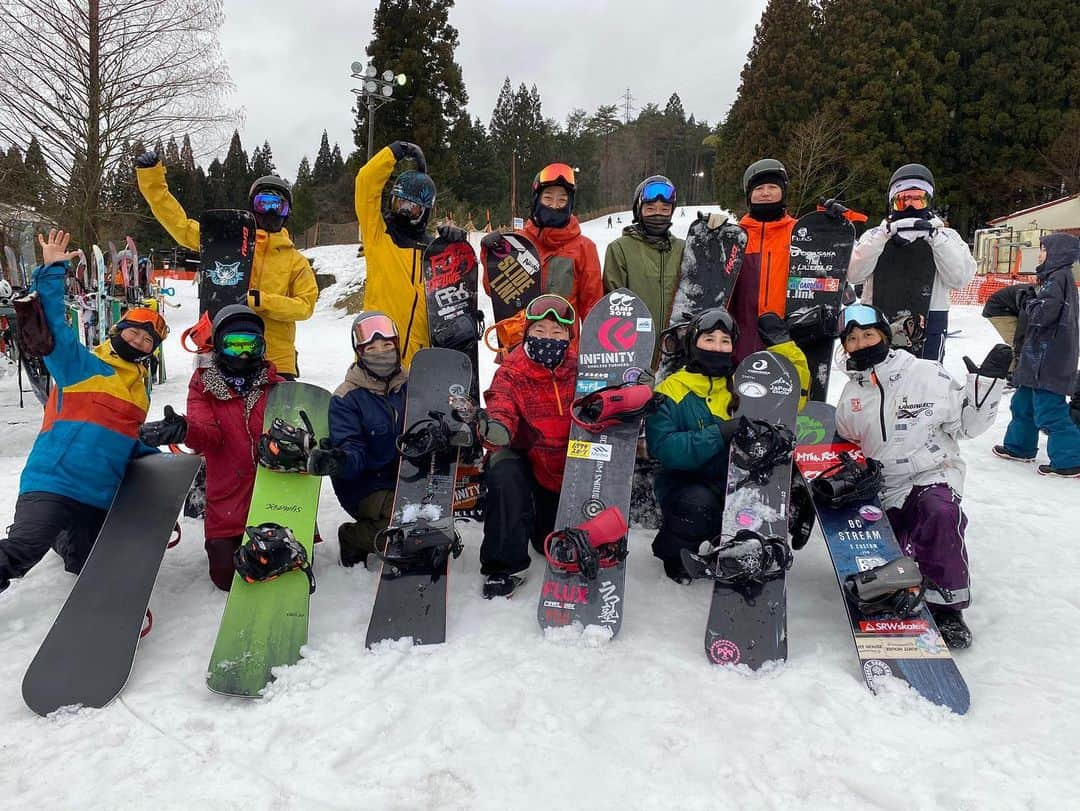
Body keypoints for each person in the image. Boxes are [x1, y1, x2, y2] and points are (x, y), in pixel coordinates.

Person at [834, 303, 1010, 648]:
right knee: (891, 555)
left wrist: (983, 392)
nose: (861, 343)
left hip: (931, 472)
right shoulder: (851, 393)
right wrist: (856, 472)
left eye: (868, 334)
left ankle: (947, 608)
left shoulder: (926, 373)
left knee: (939, 514)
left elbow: (968, 427)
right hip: (883, 485)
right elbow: (848, 443)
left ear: (884, 336)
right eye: (852, 339)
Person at [0, 230, 166, 594]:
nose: (139, 341)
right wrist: (52, 271)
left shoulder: (139, 394)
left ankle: (64, 533)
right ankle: (51, 528)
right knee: (23, 551)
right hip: (53, 482)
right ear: (119, 332)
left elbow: (125, 443)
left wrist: (164, 461)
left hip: (96, 494)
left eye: (147, 340)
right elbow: (54, 329)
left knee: (83, 563)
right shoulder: (81, 366)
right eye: (135, 333)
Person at [645, 309, 810, 583]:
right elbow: (664, 448)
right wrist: (719, 433)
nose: (717, 347)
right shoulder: (671, 389)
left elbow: (793, 395)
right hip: (687, 482)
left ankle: (775, 527)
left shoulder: (744, 382)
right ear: (693, 343)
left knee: (785, 473)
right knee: (697, 503)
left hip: (736, 482)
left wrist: (784, 347)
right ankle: (676, 555)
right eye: (709, 340)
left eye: (725, 341)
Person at [139, 305, 285, 590]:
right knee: (227, 578)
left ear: (262, 347)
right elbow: (210, 436)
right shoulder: (204, 388)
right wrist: (186, 429)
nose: (243, 354)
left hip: (271, 495)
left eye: (250, 345)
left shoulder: (278, 388)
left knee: (279, 563)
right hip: (227, 497)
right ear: (219, 346)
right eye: (234, 345)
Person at [136, 152, 317, 378]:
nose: (270, 212)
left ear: (287, 213)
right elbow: (180, 226)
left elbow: (305, 306)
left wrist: (261, 300)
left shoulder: (295, 261)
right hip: (225, 353)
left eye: (277, 206)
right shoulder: (226, 241)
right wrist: (152, 178)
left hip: (275, 361)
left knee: (273, 414)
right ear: (252, 207)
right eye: (263, 204)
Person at [476, 294, 579, 598]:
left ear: (569, 338)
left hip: (567, 469)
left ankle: (540, 526)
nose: (549, 339)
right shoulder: (513, 370)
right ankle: (504, 565)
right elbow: (501, 403)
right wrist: (495, 428)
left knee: (549, 539)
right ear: (527, 333)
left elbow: (607, 401)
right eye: (540, 332)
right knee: (503, 469)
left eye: (557, 333)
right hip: (529, 461)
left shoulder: (582, 368)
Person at [847, 163, 976, 362]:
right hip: (879, 320)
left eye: (917, 199)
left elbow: (958, 279)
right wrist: (883, 236)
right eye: (902, 200)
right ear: (892, 203)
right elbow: (854, 274)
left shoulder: (947, 236)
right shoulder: (875, 236)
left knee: (924, 384)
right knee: (877, 382)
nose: (909, 206)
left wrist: (935, 238)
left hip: (929, 322)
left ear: (928, 201)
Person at [355, 140, 454, 366]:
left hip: (417, 367)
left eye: (413, 206)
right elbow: (365, 183)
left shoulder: (433, 251)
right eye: (401, 203)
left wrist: (453, 247)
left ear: (425, 210)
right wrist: (395, 151)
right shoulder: (378, 234)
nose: (405, 211)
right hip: (375, 355)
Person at [993, 233, 1080, 477]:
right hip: (1036, 360)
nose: (1039, 254)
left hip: (1048, 361)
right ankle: (1019, 447)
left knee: (1050, 411)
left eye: (1043, 249)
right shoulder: (1054, 279)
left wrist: (1028, 302)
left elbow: (1043, 315)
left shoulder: (1057, 279)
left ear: (1057, 254)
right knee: (1023, 404)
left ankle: (1070, 459)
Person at [327, 311, 408, 568]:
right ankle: (352, 538)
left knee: (425, 521)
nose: (381, 352)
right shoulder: (346, 398)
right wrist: (340, 459)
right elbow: (352, 448)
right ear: (359, 353)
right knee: (404, 529)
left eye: (387, 345)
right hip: (365, 485)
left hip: (407, 478)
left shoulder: (413, 386)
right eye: (371, 348)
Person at [482, 163, 603, 326]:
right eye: (548, 198)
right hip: (518, 345)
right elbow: (495, 292)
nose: (554, 205)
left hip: (564, 347)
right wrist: (490, 257)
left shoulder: (584, 248)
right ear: (536, 200)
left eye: (562, 200)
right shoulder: (517, 243)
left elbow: (592, 308)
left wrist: (593, 347)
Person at [602, 175, 685, 341]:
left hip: (675, 349)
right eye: (651, 209)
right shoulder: (620, 249)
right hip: (635, 347)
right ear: (639, 210)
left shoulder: (682, 249)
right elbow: (613, 306)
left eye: (664, 209)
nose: (658, 215)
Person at [981, 281, 1036, 382]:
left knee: (1025, 341)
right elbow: (1021, 332)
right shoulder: (1032, 297)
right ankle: (1012, 373)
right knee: (1018, 341)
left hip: (1010, 308)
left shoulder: (1045, 292)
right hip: (998, 309)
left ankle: (1018, 369)